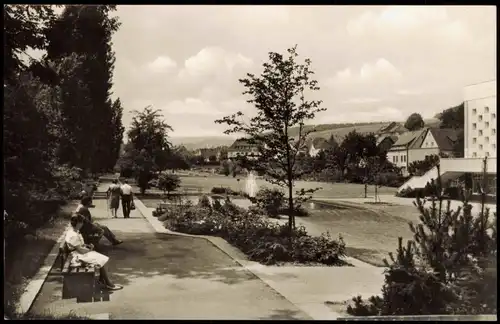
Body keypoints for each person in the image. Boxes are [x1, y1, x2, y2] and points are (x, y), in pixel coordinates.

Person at [65, 214, 123, 291]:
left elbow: (79, 246)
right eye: (81, 222)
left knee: (100, 258)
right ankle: (108, 284)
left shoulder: (73, 231)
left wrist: (87, 246)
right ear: (78, 223)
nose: (82, 224)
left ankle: (104, 281)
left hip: (77, 254)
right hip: (78, 257)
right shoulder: (74, 235)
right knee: (100, 259)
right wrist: (90, 249)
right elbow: (81, 250)